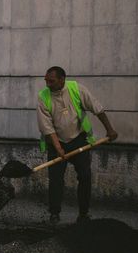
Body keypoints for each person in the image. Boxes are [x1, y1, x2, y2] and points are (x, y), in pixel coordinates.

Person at [37, 66, 118, 225]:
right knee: (55, 180)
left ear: (62, 80)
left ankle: (83, 214)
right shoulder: (43, 96)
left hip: (79, 139)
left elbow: (97, 108)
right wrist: (58, 147)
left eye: (51, 81)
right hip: (56, 142)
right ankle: (54, 214)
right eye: (46, 80)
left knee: (85, 176)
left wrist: (110, 129)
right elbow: (47, 127)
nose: (48, 84)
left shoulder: (77, 89)